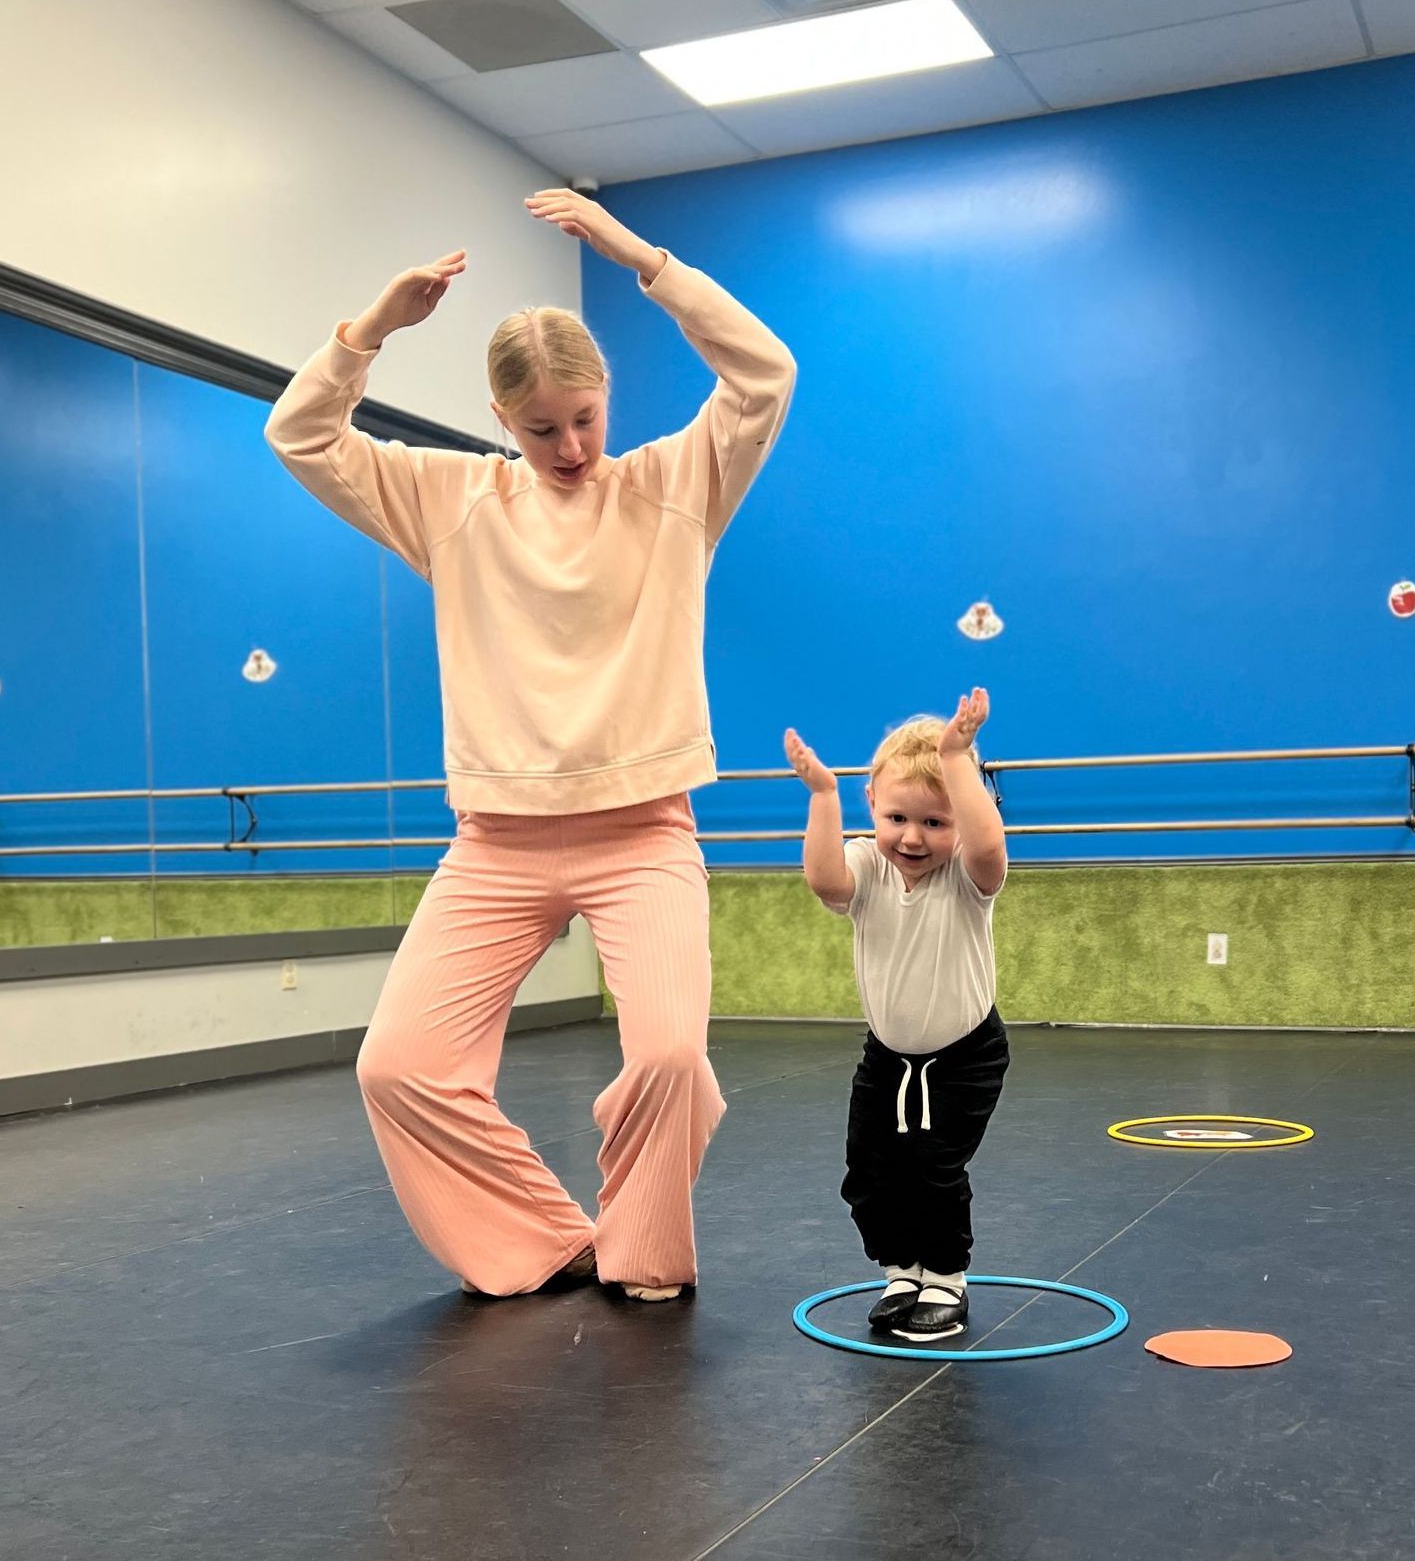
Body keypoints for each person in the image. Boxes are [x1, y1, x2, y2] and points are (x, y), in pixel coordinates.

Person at [264, 190, 795, 1301]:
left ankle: (643, 1249)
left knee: (665, 1059)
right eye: (541, 426)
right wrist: (367, 332)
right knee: (399, 1067)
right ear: (503, 419)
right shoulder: (449, 498)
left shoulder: (671, 486)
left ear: (608, 399)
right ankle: (552, 1238)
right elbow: (302, 435)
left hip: (642, 830)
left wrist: (641, 258)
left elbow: (762, 376)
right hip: (496, 843)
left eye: (584, 417)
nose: (568, 445)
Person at [785, 689, 1008, 1337]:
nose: (912, 837)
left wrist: (956, 756)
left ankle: (945, 1279)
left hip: (965, 1055)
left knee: (935, 1168)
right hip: (886, 1055)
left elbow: (988, 845)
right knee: (873, 1167)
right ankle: (901, 1270)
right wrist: (823, 796)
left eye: (935, 823)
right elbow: (825, 880)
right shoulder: (865, 862)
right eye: (898, 818)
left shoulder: (967, 877)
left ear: (960, 824)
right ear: (873, 811)